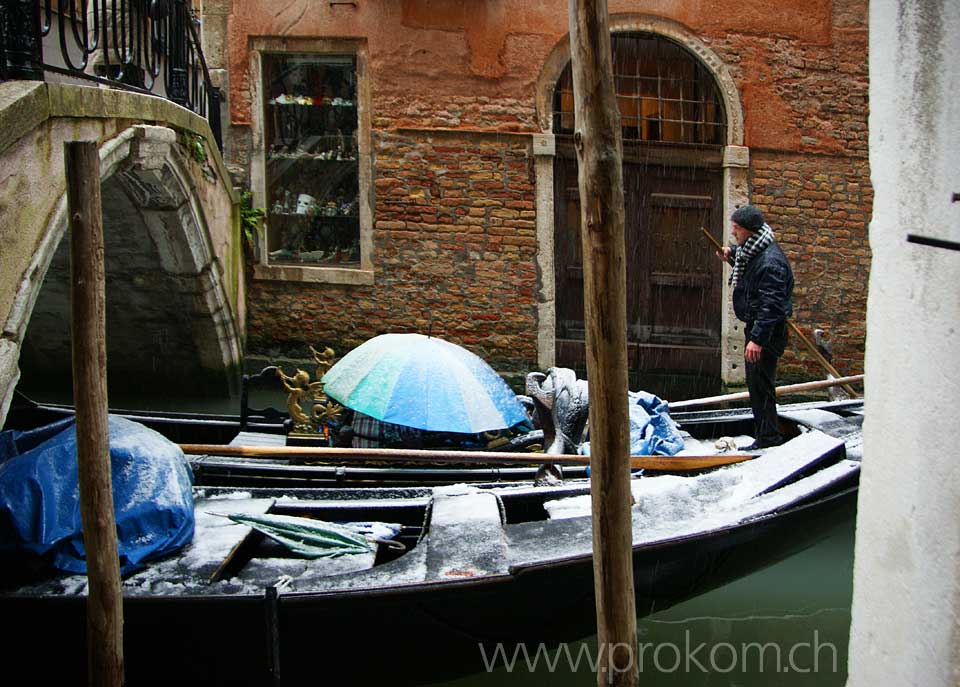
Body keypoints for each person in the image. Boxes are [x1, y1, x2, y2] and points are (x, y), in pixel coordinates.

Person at [715, 205, 794, 450]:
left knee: (761, 386)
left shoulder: (771, 263)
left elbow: (771, 305)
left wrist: (757, 339)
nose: (734, 232)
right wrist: (731, 253)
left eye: (737, 229)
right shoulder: (755, 249)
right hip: (761, 329)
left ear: (750, 230)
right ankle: (766, 435)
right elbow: (745, 256)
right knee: (757, 385)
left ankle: (768, 439)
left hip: (767, 333)